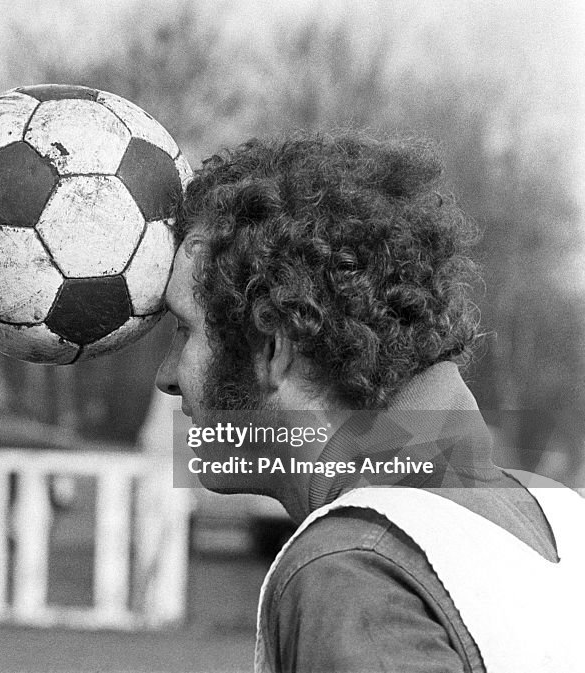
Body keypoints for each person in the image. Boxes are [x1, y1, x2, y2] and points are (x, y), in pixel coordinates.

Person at [156, 131, 585, 672]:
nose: (166, 377)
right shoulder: (564, 516)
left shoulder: (351, 567)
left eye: (184, 331)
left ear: (271, 348)